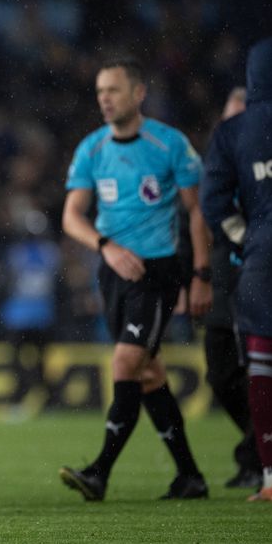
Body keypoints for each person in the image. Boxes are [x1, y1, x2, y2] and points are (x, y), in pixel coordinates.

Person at [59, 56, 212, 501]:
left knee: (126, 363)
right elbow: (72, 217)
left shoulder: (169, 145)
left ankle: (99, 472)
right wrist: (106, 247)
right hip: (112, 273)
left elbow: (197, 210)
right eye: (100, 91)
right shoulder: (92, 149)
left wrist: (201, 274)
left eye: (114, 90)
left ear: (138, 93)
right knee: (148, 373)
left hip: (158, 272)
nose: (105, 99)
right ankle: (190, 476)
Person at [201, 36, 272, 502]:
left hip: (263, 260)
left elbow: (213, 202)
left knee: (263, 365)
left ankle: (271, 478)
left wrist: (247, 238)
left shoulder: (234, 131)